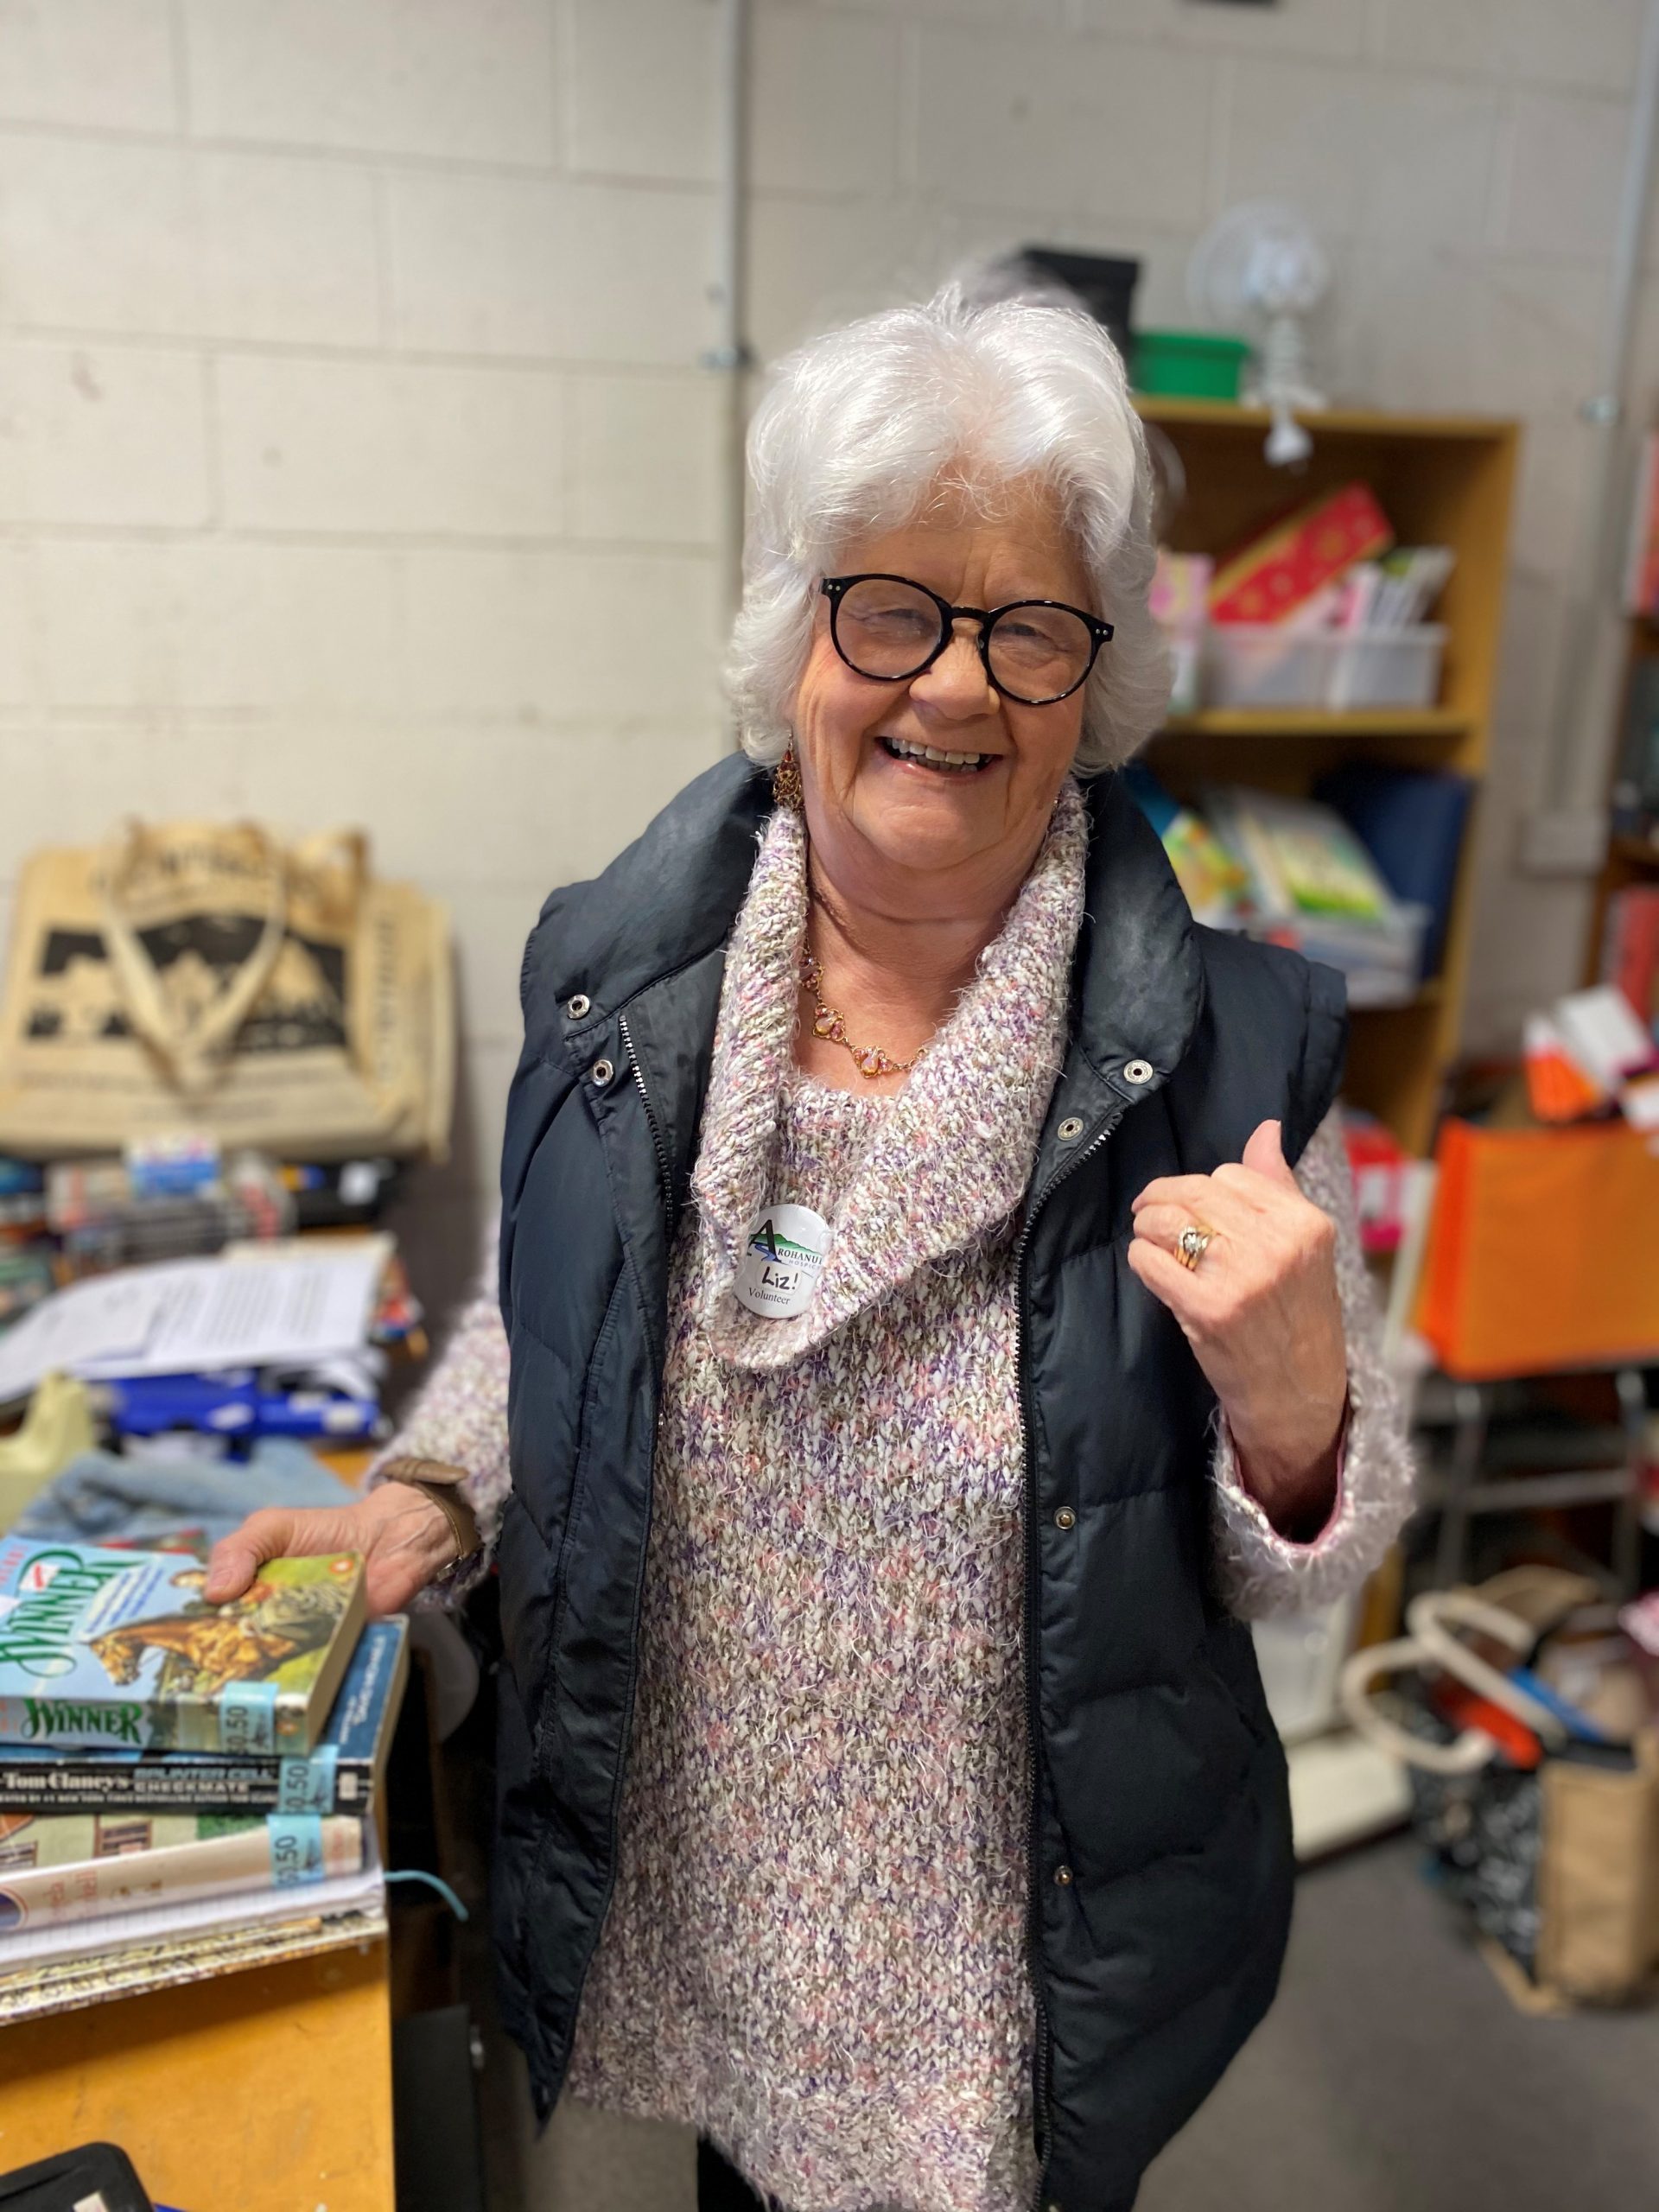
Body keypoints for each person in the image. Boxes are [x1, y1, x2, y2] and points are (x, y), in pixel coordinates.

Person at [207, 286, 1414, 2212]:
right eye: (891, 608)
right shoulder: (619, 985)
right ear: (796, 637)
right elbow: (557, 1317)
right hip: (702, 1901)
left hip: (1005, 1991)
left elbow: (1317, 1558)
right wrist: (428, 1494)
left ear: (1092, 682)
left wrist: (1297, 1416)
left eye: (1028, 626)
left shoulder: (1221, 1054)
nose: (956, 685)